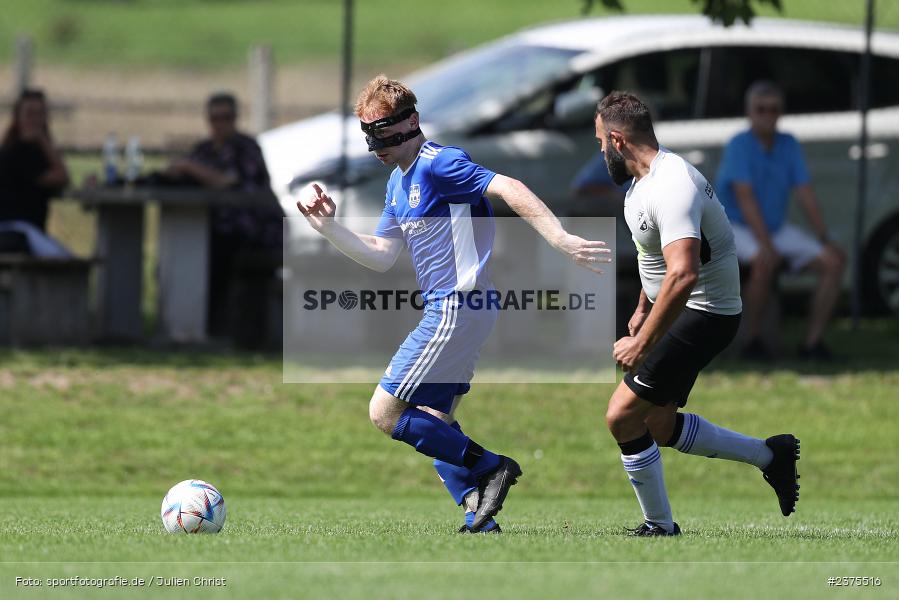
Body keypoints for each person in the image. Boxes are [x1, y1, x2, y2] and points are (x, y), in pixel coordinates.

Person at [297, 75, 610, 533]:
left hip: (456, 306)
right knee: (434, 421)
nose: (374, 143)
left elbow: (509, 186)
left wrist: (559, 238)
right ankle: (478, 516)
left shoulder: (439, 163)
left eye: (382, 130)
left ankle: (490, 467)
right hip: (463, 310)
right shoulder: (397, 183)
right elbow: (382, 255)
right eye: (368, 133)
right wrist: (328, 228)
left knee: (385, 412)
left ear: (411, 122)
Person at [595, 91, 800, 536]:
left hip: (703, 313)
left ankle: (659, 526)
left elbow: (684, 273)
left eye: (600, 142)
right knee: (658, 424)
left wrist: (642, 341)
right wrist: (643, 306)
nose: (600, 152)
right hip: (684, 310)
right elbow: (658, 257)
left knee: (622, 416)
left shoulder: (672, 184)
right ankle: (771, 455)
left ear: (617, 140)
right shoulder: (642, 184)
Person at [716, 81, 846, 361]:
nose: (767, 115)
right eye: (761, 109)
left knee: (834, 261)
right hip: (735, 226)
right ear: (749, 112)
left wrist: (824, 238)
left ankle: (812, 343)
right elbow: (745, 199)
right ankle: (752, 341)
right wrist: (766, 244)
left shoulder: (789, 144)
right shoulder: (739, 145)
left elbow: (805, 194)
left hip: (773, 228)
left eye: (773, 109)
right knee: (765, 260)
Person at [167, 92, 282, 340]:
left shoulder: (246, 148)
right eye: (215, 118)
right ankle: (189, 324)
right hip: (213, 228)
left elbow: (227, 181)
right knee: (187, 247)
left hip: (257, 231)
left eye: (226, 117)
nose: (220, 123)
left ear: (235, 118)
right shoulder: (204, 150)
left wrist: (188, 167)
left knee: (215, 253)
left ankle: (214, 328)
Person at [0, 88, 72, 257]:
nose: (35, 120)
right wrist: (43, 140)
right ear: (18, 118)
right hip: (18, 230)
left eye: (40, 114)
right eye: (30, 114)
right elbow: (62, 177)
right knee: (69, 264)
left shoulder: (11, 148)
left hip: (20, 231)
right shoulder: (22, 152)